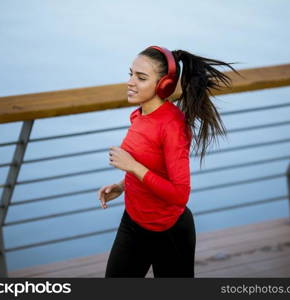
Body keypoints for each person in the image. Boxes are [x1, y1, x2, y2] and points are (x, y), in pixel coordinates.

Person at [97, 45, 240, 278]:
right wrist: (122, 186)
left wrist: (132, 166)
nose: (131, 82)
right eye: (130, 73)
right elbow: (151, 165)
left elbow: (180, 194)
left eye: (141, 77)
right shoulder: (139, 114)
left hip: (169, 231)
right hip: (133, 222)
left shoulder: (172, 126)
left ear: (163, 85)